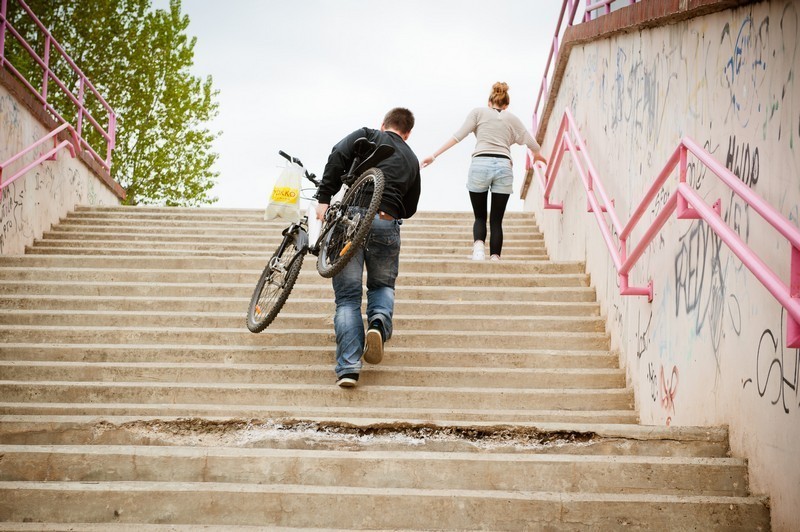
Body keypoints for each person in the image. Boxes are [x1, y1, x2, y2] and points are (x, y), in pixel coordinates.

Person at [315, 108, 421, 388]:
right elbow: (409, 208)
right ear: (408, 133)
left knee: (348, 299)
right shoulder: (411, 159)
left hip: (351, 221)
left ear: (383, 124)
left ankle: (349, 368)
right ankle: (377, 324)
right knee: (382, 286)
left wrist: (324, 197)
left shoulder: (368, 136)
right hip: (387, 224)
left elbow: (338, 154)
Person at [421, 82, 547, 261]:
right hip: (504, 167)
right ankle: (495, 258)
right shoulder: (512, 118)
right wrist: (537, 155)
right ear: (506, 105)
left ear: (490, 102)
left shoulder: (478, 113)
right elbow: (532, 143)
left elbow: (458, 136)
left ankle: (478, 251)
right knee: (496, 220)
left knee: (480, 216)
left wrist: (434, 155)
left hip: (480, 164)